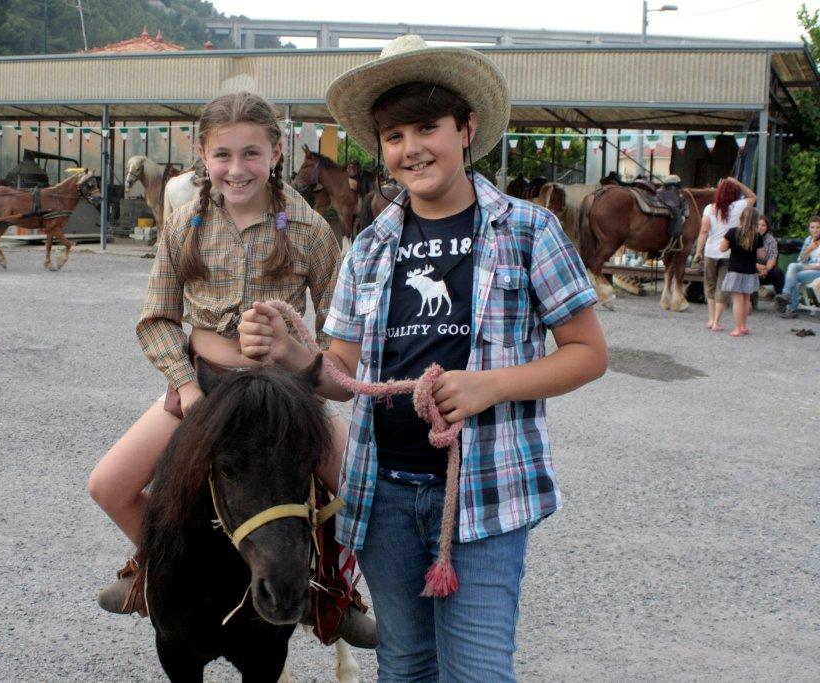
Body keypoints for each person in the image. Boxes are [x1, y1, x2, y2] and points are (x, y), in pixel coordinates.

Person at [238, 35, 608, 681]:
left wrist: (492, 385)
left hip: (484, 491)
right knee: (405, 664)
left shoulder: (528, 230)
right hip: (384, 492)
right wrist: (296, 356)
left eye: (427, 127)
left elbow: (588, 353)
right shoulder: (370, 246)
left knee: (479, 670)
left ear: (466, 129)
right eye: (394, 136)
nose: (411, 148)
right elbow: (345, 378)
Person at [87, 91, 376, 646]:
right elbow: (157, 320)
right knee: (108, 485)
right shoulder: (184, 224)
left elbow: (339, 338)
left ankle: (330, 592)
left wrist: (301, 361)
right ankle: (157, 570)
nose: (236, 169)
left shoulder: (310, 230)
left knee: (367, 492)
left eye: (251, 153)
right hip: (205, 390)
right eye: (223, 155)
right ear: (203, 155)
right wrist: (186, 386)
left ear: (276, 153)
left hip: (283, 399)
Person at [694, 176, 756, 331]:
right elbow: (753, 196)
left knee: (710, 285)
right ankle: (717, 321)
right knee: (722, 287)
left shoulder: (709, 208)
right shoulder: (739, 206)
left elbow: (704, 231)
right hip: (728, 253)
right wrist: (737, 183)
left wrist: (698, 251)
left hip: (710, 252)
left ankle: (710, 319)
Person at [719, 207, 763, 337]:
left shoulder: (732, 232)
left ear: (741, 218)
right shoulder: (757, 236)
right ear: (755, 221)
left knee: (737, 301)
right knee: (746, 300)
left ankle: (737, 329)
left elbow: (722, 248)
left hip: (735, 270)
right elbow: (761, 255)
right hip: (750, 271)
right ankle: (743, 326)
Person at [775, 215, 820, 318]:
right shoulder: (809, 240)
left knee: (793, 275)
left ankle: (791, 307)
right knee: (792, 266)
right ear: (809, 228)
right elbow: (801, 260)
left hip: (817, 271)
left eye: (818, 227)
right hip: (808, 268)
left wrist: (807, 267)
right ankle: (786, 295)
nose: (815, 230)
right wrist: (809, 249)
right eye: (812, 227)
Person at [754, 214, 784, 300]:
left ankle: (780, 298)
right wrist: (757, 266)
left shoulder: (770, 240)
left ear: (767, 227)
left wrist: (765, 270)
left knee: (778, 272)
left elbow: (772, 258)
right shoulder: (749, 237)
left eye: (763, 225)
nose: (760, 227)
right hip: (752, 267)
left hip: (766, 269)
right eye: (758, 225)